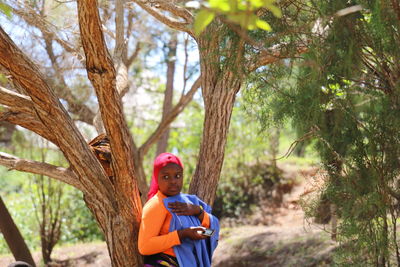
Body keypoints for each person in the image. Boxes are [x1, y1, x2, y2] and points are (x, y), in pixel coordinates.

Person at [138, 152, 219, 267]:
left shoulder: (192, 202)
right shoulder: (156, 205)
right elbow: (144, 247)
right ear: (156, 178)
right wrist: (182, 234)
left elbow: (212, 233)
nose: (173, 181)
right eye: (166, 177)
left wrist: (198, 212)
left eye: (177, 176)